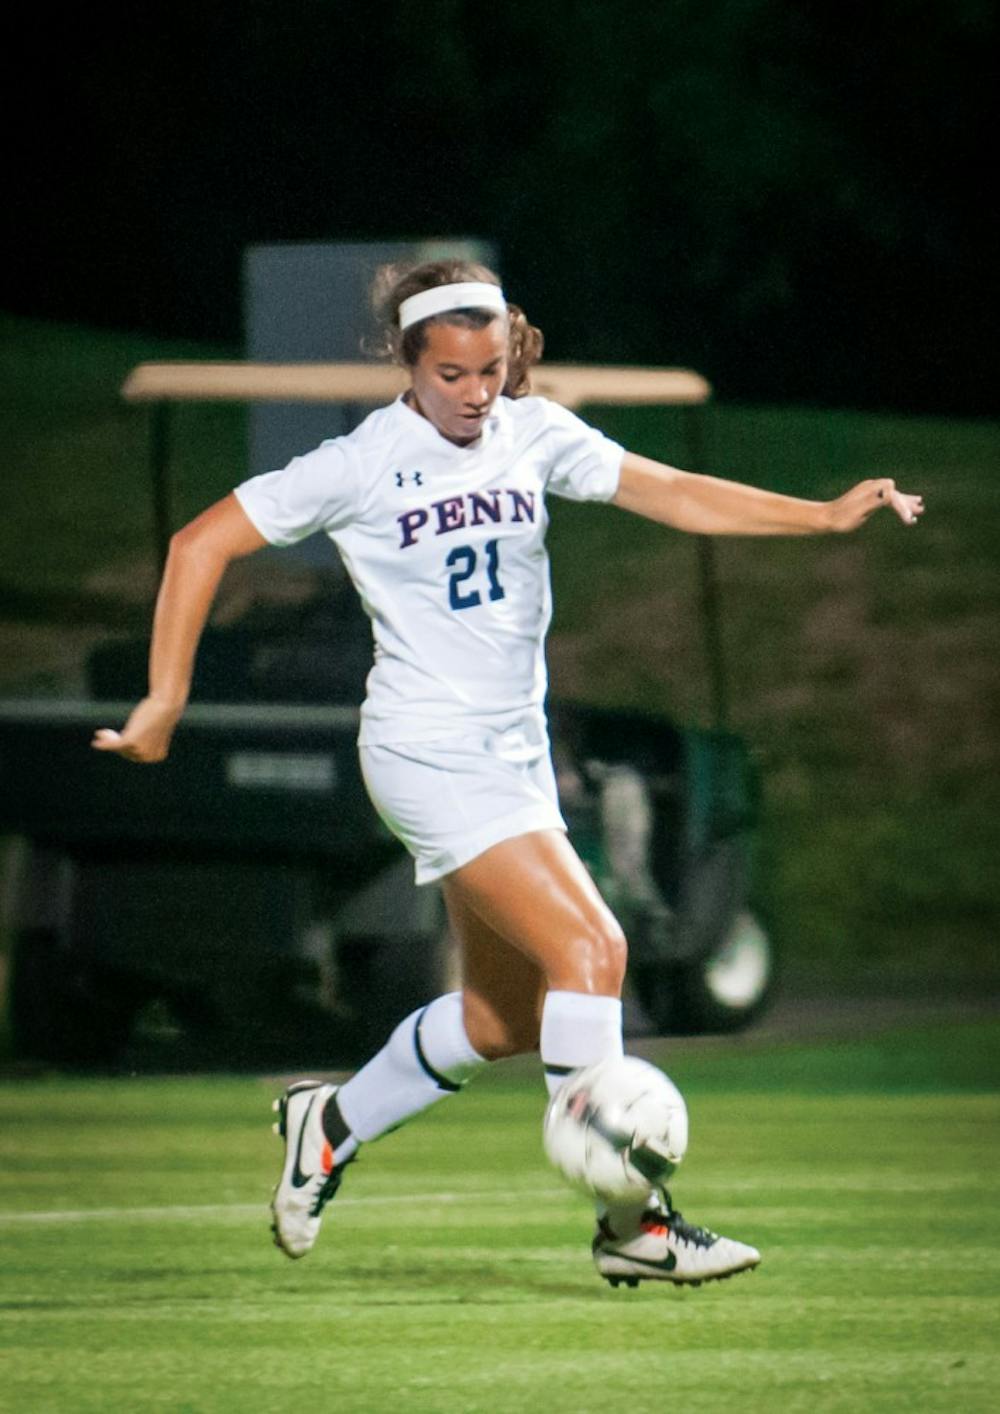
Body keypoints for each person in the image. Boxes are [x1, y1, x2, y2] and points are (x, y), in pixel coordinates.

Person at [93, 259, 924, 1286]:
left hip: (513, 754)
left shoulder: (531, 431)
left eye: (490, 369)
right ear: (408, 364)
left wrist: (820, 515)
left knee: (501, 1019)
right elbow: (197, 542)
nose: (476, 393)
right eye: (451, 374)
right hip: (424, 750)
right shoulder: (359, 463)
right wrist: (165, 698)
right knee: (592, 945)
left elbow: (664, 489)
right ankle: (636, 1229)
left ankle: (329, 1123)